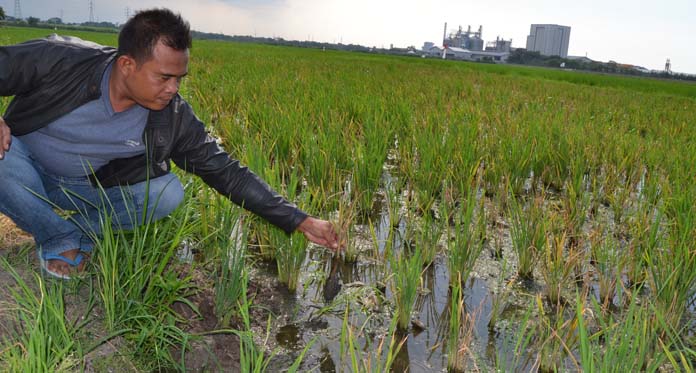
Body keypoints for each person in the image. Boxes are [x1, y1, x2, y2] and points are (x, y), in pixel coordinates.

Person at [0, 8, 340, 279]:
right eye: (164, 77)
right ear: (127, 65)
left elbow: (227, 172)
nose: (174, 88)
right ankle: (59, 239)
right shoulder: (60, 59)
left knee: (167, 193)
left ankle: (72, 233)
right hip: (20, 164)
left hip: (81, 186)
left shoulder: (173, 116)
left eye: (180, 78)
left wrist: (298, 220)